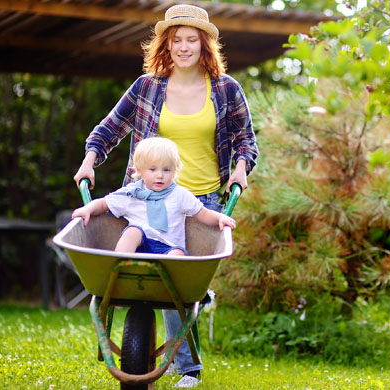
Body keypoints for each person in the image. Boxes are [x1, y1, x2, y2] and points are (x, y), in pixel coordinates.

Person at [72, 3, 258, 388]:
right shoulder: (147, 87)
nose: (184, 47)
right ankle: (187, 347)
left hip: (203, 198)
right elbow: (109, 128)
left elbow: (246, 142)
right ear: (167, 44)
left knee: (178, 280)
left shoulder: (225, 89)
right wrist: (90, 160)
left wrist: (241, 168)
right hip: (146, 199)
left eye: (192, 40)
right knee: (163, 279)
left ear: (205, 44)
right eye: (177, 40)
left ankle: (187, 369)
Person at [71, 137, 235, 255]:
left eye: (166, 170)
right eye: (153, 169)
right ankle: (118, 265)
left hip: (168, 249)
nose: (160, 176)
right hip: (138, 248)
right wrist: (88, 209)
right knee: (133, 231)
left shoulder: (179, 194)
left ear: (174, 171)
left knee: (178, 254)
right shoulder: (132, 193)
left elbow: (203, 213)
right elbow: (103, 204)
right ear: (140, 171)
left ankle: (171, 289)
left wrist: (220, 218)